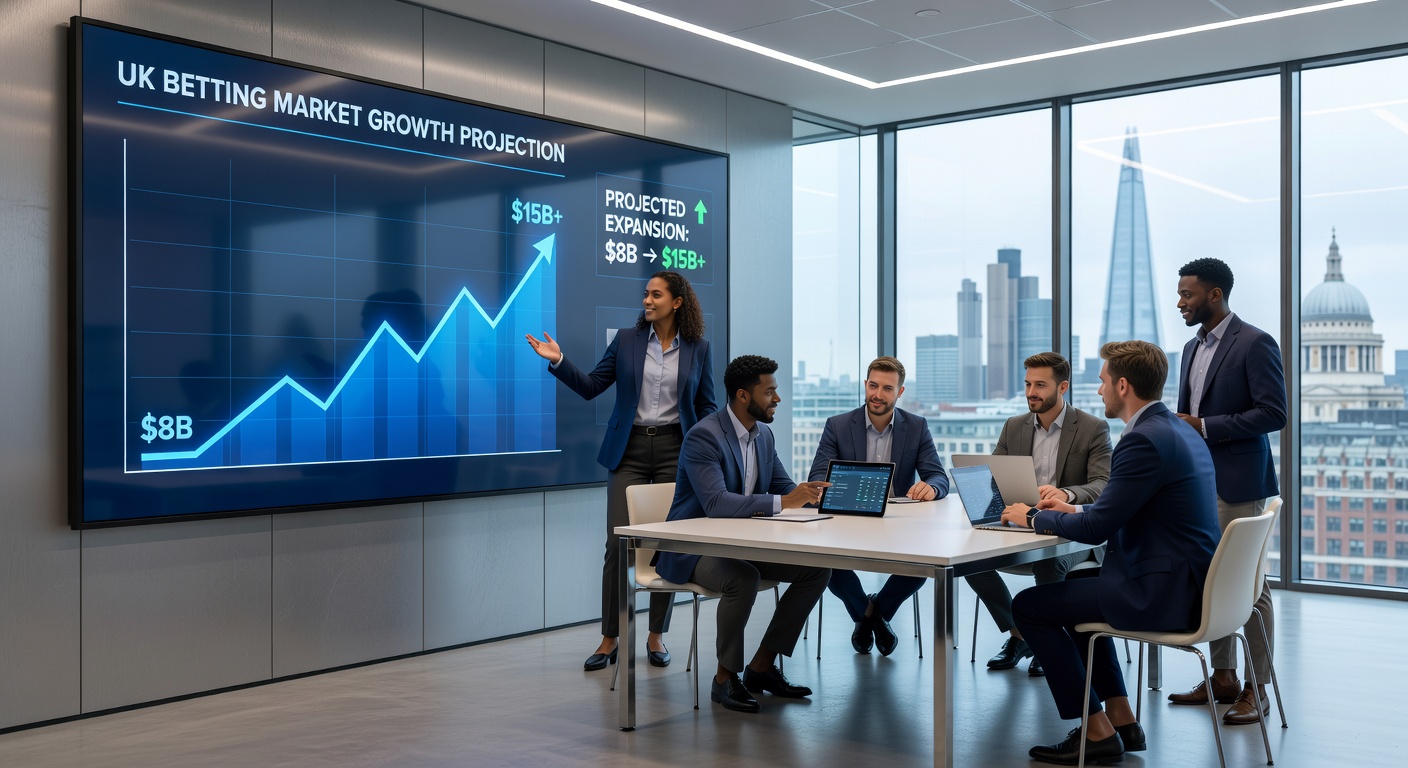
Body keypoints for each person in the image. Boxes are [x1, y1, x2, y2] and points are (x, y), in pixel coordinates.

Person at [1004, 340, 1220, 765]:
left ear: (1123, 385)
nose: (1099, 389)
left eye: (1102, 381)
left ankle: (1095, 729)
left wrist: (1034, 517)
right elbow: (1117, 507)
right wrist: (1074, 506)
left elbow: (1098, 529)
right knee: (1080, 585)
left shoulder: (1141, 441)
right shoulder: (1175, 429)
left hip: (1159, 595)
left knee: (1028, 608)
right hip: (1185, 584)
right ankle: (1122, 720)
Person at [525, 271, 716, 672]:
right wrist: (558, 360)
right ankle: (610, 637)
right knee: (618, 544)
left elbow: (707, 405)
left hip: (675, 451)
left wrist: (706, 448)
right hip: (627, 448)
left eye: (656, 295)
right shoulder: (627, 341)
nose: (647, 300)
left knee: (669, 543)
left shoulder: (698, 348)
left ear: (677, 301)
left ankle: (656, 634)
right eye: (646, 294)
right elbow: (594, 385)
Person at [655, 355, 832, 713]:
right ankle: (723, 678)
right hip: (692, 548)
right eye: (770, 392)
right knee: (743, 578)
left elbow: (784, 489)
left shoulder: (764, 435)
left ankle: (761, 667)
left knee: (816, 569)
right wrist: (786, 500)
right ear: (742, 395)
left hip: (740, 545)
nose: (777, 399)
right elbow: (717, 503)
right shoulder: (703, 436)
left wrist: (820, 499)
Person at [1167, 257, 1288, 725]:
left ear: (1215, 294)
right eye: (1179, 294)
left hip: (1239, 483)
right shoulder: (1189, 349)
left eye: (1188, 294)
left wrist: (1205, 426)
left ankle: (1259, 686)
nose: (1180, 302)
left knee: (1250, 584)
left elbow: (1273, 414)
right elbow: (1184, 419)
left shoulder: (1255, 343)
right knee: (1210, 575)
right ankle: (1223, 677)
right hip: (1196, 483)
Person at [967, 352, 1111, 677]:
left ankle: (1048, 642)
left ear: (1062, 387)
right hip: (1022, 527)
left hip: (1074, 533)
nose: (1031, 391)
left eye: (1040, 385)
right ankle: (1022, 633)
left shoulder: (1092, 428)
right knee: (969, 562)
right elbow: (994, 477)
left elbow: (1104, 485)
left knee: (1049, 561)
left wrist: (1067, 494)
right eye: (1028, 384)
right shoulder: (1014, 426)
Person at [807, 356, 948, 657]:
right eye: (873, 386)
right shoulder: (838, 426)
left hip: (898, 523)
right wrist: (823, 489)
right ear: (865, 385)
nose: (878, 395)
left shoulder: (917, 426)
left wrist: (932, 487)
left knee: (923, 565)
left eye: (887, 388)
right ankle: (873, 618)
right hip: (847, 520)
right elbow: (817, 475)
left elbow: (938, 475)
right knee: (828, 563)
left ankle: (869, 616)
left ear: (900, 392)